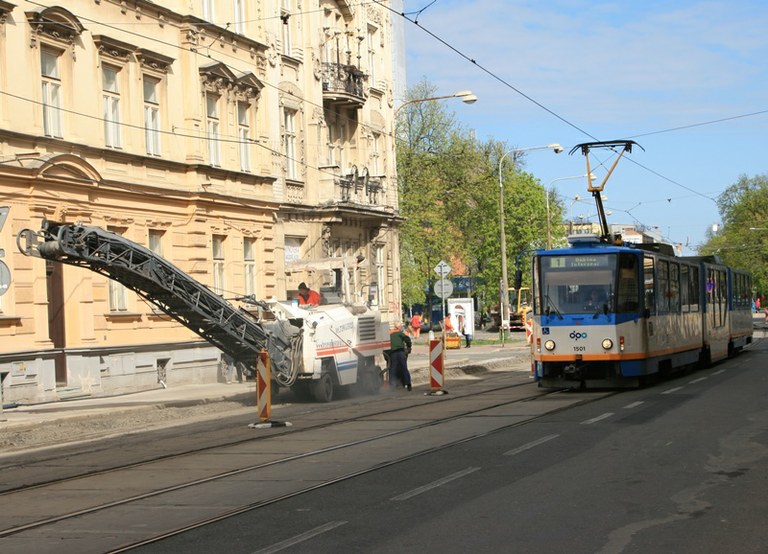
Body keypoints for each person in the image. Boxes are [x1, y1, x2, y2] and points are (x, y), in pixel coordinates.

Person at [388, 322, 412, 391]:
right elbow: (407, 339)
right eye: (401, 326)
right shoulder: (399, 333)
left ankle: (392, 385)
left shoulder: (390, 334)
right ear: (398, 327)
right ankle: (408, 384)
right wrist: (409, 347)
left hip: (392, 353)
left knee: (393, 369)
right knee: (404, 367)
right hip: (400, 352)